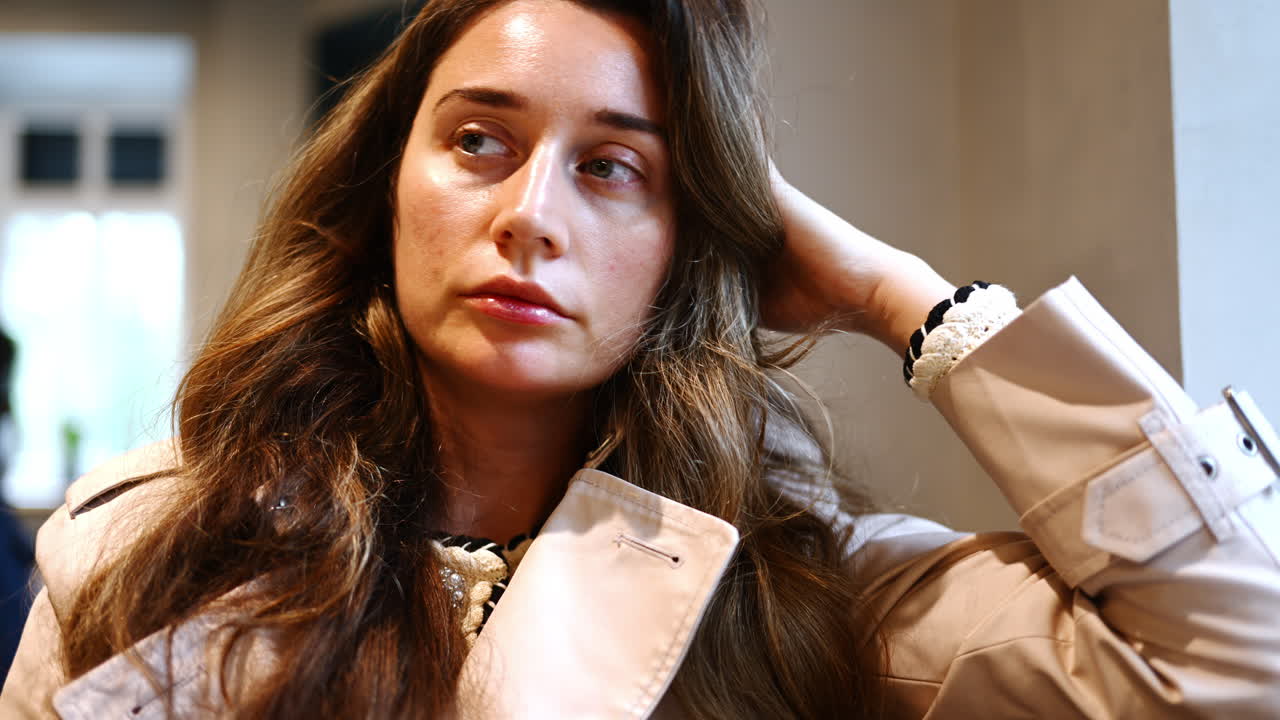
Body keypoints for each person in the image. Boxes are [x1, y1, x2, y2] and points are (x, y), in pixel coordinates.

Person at [3, 0, 1279, 717]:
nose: (531, 216)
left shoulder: (811, 599)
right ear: (384, 188)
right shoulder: (145, 549)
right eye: (478, 142)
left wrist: (902, 297)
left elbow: (1239, 662)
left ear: (689, 238)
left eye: (614, 167)